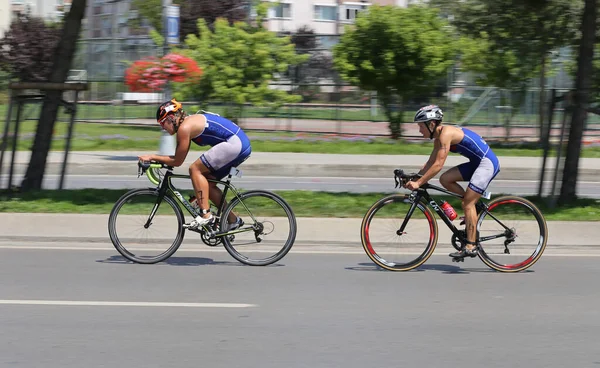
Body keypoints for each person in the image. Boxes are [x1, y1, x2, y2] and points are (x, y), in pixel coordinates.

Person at [138, 99, 251, 230]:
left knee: (195, 169)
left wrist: (152, 157)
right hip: (240, 144)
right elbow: (178, 158)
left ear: (170, 118)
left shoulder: (184, 128)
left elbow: (177, 161)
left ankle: (206, 215)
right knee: (208, 184)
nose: (162, 127)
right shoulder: (187, 124)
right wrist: (158, 159)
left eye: (162, 123)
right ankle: (233, 220)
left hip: (235, 144)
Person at [403, 105, 500, 259]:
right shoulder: (438, 138)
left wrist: (419, 183)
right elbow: (430, 164)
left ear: (432, 124)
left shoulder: (446, 134)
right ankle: (473, 208)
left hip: (487, 164)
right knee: (445, 179)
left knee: (467, 203)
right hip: (476, 163)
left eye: (421, 126)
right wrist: (415, 178)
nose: (419, 130)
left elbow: (438, 165)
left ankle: (471, 245)